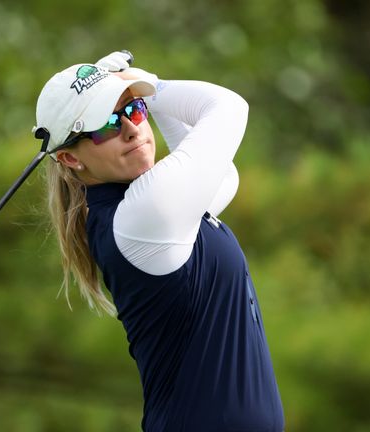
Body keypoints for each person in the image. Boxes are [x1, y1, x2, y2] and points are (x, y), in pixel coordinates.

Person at [34, 51, 284, 432]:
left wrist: (137, 92)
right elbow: (229, 107)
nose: (132, 129)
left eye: (134, 110)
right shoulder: (144, 213)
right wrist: (148, 83)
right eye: (106, 125)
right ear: (70, 158)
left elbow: (223, 177)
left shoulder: (140, 210)